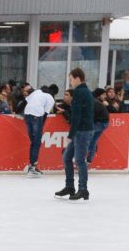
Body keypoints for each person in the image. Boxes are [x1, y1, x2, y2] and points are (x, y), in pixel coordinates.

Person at [57, 66, 97, 201]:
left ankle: (83, 189)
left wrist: (71, 134)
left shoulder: (80, 93)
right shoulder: (85, 91)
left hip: (83, 131)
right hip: (83, 129)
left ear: (77, 78)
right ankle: (70, 186)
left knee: (79, 160)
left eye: (71, 79)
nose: (70, 82)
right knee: (67, 157)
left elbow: (76, 116)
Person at [21, 82, 53, 177]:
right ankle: (32, 168)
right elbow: (46, 114)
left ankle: (31, 166)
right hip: (36, 116)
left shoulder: (36, 93)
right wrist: (41, 127)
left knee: (34, 142)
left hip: (27, 115)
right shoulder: (50, 97)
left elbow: (24, 103)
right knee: (37, 142)